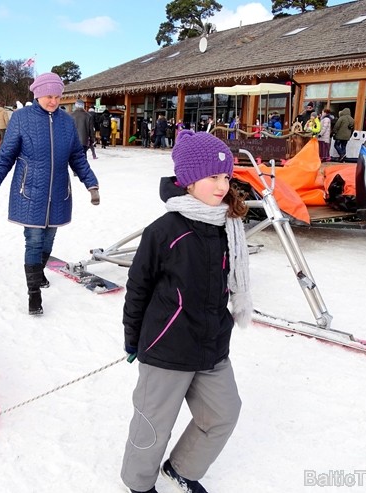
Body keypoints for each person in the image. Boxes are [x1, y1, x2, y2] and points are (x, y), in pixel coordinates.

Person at [121, 129, 252, 493]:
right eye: (213, 176)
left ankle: (181, 467)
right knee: (153, 423)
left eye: (226, 176)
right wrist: (134, 340)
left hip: (211, 345)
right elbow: (138, 288)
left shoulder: (229, 227)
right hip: (166, 346)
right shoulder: (164, 231)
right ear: (189, 179)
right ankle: (139, 483)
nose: (222, 185)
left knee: (223, 414)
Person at [0, 72, 100, 316]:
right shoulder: (21, 118)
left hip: (58, 193)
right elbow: (5, 157)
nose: (53, 101)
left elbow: (77, 156)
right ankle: (34, 293)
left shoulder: (66, 122)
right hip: (29, 191)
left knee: (49, 237)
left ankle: (40, 270)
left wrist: (91, 184)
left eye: (57, 96)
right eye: (48, 96)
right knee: (34, 240)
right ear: (37, 95)